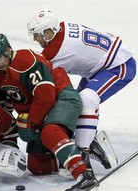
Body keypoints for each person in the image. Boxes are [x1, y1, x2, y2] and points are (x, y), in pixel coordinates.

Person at [0, 33, 100, 191]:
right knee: (37, 166)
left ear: (8, 51)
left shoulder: (26, 61)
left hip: (62, 96)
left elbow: (46, 96)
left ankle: (84, 176)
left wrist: (31, 121)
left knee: (50, 132)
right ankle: (75, 149)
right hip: (38, 108)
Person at [26, 10, 136, 169]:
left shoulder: (55, 51)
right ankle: (90, 143)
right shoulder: (61, 28)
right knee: (76, 103)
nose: (35, 39)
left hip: (119, 65)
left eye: (37, 34)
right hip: (102, 64)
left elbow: (42, 78)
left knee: (86, 100)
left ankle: (82, 152)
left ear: (48, 33)